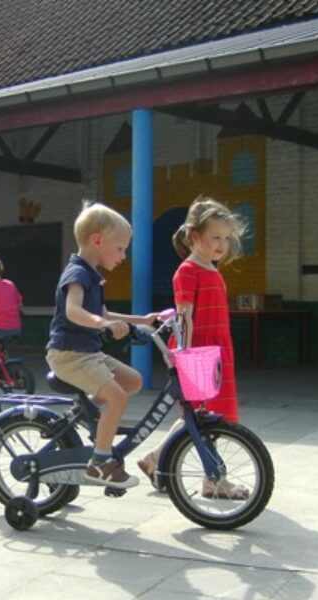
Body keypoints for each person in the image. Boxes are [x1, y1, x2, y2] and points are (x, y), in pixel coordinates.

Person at [137, 195, 250, 499]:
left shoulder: (212, 270)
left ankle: (155, 459)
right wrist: (184, 355)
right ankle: (214, 480)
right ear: (194, 236)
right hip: (197, 351)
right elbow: (184, 315)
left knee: (200, 416)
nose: (222, 244)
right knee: (204, 417)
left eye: (226, 238)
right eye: (216, 237)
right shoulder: (188, 271)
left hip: (215, 351)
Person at [47, 200, 158, 489]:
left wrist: (142, 320)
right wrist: (103, 325)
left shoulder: (92, 275)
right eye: (120, 248)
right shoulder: (78, 274)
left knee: (133, 381)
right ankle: (99, 462)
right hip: (69, 355)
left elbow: (105, 313)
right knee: (117, 397)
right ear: (97, 240)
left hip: (89, 353)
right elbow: (74, 311)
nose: (124, 256)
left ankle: (90, 413)